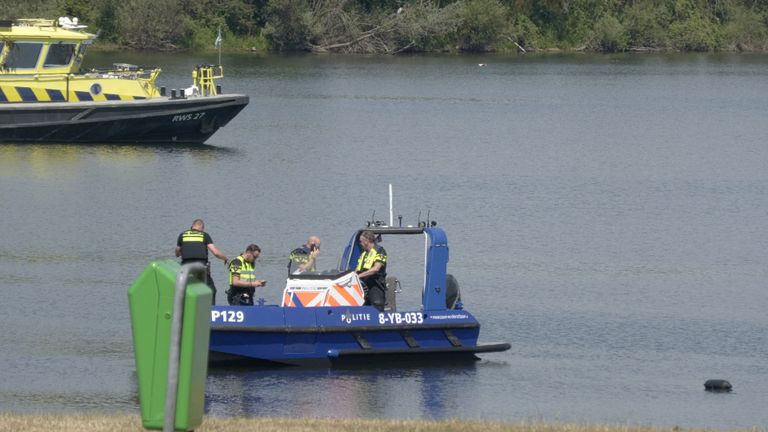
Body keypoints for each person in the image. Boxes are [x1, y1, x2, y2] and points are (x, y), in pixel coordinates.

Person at [175, 219, 228, 304]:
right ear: (202, 228)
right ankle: (210, 311)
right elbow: (215, 252)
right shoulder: (204, 235)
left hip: (186, 269)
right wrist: (225, 258)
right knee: (211, 290)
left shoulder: (182, 235)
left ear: (192, 226)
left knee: (188, 290)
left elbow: (177, 253)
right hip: (201, 268)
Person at [355, 230, 387, 311]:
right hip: (363, 287)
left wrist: (358, 276)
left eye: (361, 241)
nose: (360, 243)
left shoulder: (380, 251)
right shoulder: (364, 254)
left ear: (366, 241)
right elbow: (358, 270)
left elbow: (376, 269)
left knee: (376, 305)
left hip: (375, 286)